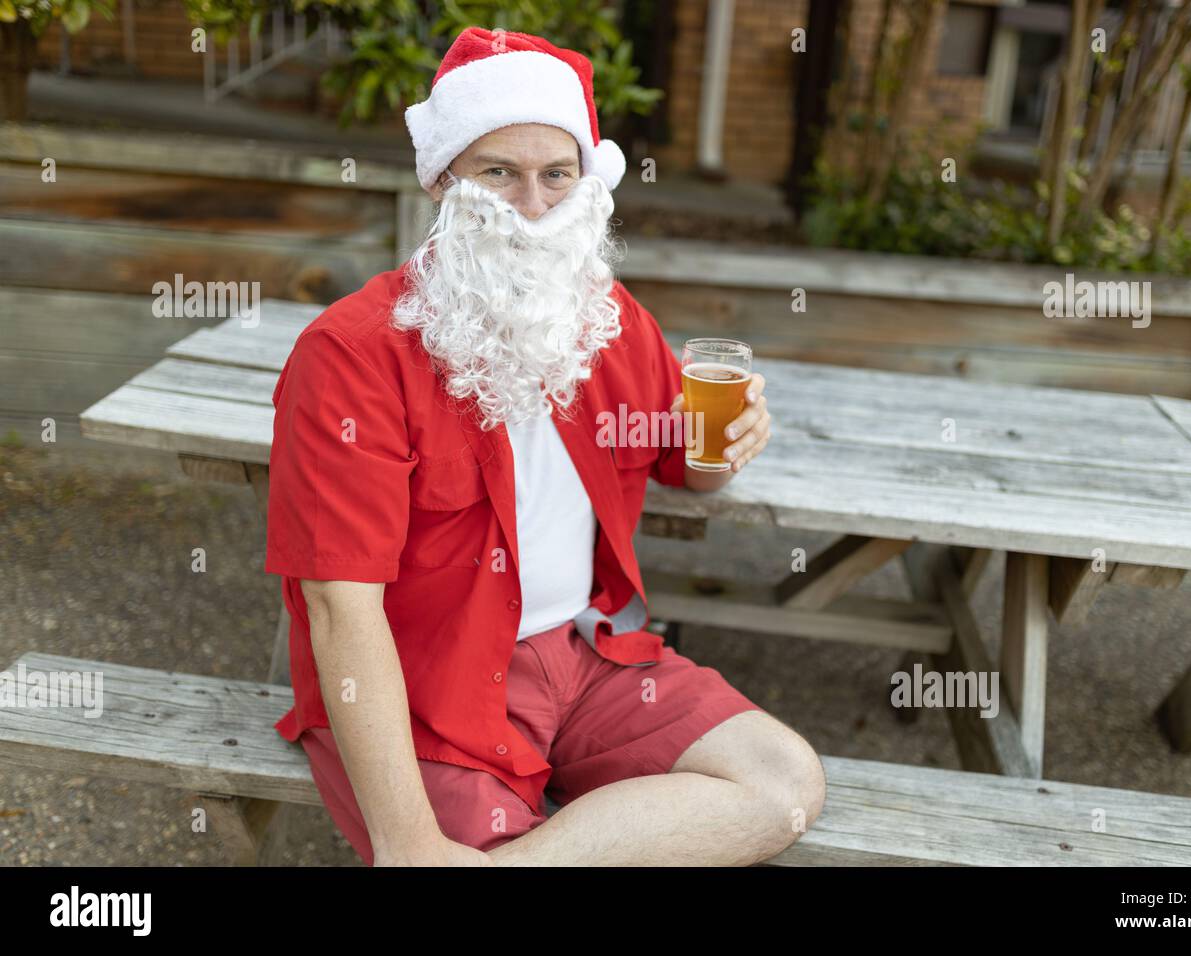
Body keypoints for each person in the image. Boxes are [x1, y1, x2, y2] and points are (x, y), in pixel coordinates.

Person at [264, 25, 825, 867]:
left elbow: (685, 463)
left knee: (782, 783)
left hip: (591, 655)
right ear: (445, 183)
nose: (534, 205)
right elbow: (343, 608)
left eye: (556, 175)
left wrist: (732, 438)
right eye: (500, 173)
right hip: (428, 686)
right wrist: (410, 843)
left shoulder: (605, 317)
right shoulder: (350, 353)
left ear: (586, 184)